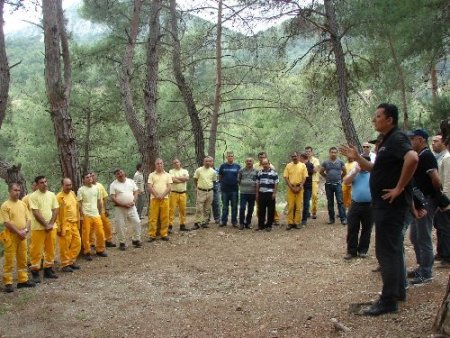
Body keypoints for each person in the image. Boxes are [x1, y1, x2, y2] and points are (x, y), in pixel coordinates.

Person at [340, 103, 418, 316]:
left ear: (389, 119)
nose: (374, 120)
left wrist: (399, 188)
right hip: (384, 206)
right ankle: (398, 291)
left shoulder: (397, 138)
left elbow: (413, 158)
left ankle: (388, 300)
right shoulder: (386, 142)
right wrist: (357, 158)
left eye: (377, 116)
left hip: (392, 206)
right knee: (392, 249)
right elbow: (375, 169)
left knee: (386, 251)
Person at [407, 129, 441, 284]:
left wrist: (433, 195)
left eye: (412, 139)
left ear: (420, 140)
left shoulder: (426, 156)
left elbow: (435, 179)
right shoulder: (418, 156)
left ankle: (427, 272)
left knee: (423, 236)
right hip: (418, 200)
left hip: (426, 200)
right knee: (415, 235)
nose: (410, 142)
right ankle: (422, 266)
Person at [1, 183, 35, 292]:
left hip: (22, 236)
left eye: (19, 190)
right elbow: (6, 223)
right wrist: (18, 232)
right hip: (11, 236)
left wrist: (25, 231)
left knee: (23, 258)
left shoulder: (22, 204)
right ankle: (8, 282)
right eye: (15, 190)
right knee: (9, 259)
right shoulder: (5, 206)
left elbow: (28, 218)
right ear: (10, 191)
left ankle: (23, 280)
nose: (17, 192)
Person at [29, 175, 59, 282]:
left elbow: (55, 210)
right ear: (37, 185)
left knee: (50, 249)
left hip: (51, 227)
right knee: (36, 250)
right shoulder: (33, 196)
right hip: (38, 228)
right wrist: (46, 225)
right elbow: (36, 212)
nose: (45, 184)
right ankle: (35, 271)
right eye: (41, 182)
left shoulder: (51, 195)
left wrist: (50, 224)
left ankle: (48, 270)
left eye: (46, 181)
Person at [342, 157, 373, 260]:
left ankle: (363, 250)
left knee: (367, 229)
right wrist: (355, 172)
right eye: (360, 163)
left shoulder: (373, 173)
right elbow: (346, 181)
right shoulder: (355, 172)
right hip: (355, 204)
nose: (362, 165)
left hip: (370, 205)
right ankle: (351, 251)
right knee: (352, 228)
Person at [77, 172, 108, 260]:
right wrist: (81, 215)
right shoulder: (81, 190)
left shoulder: (96, 188)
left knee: (100, 233)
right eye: (87, 177)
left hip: (96, 214)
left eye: (90, 177)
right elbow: (79, 203)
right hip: (86, 214)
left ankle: (100, 250)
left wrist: (100, 211)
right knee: (86, 234)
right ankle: (87, 251)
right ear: (83, 179)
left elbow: (99, 201)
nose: (90, 178)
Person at [110, 168, 142, 249]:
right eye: (117, 174)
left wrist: (133, 201)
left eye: (121, 172)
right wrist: (122, 204)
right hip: (119, 208)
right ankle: (122, 242)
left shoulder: (131, 181)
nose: (120, 174)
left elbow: (136, 192)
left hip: (132, 207)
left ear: (124, 172)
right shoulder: (113, 185)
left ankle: (136, 239)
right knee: (120, 225)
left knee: (137, 222)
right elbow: (113, 197)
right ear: (116, 176)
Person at [56, 178, 81, 272]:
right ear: (62, 185)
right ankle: (65, 264)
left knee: (77, 243)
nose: (69, 187)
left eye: (70, 185)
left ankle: (71, 260)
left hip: (74, 223)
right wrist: (58, 227)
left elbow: (77, 207)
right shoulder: (59, 197)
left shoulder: (72, 194)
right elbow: (56, 213)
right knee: (65, 246)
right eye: (67, 185)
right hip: (65, 225)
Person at [433, 134, 450, 264]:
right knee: (440, 227)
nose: (433, 143)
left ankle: (447, 255)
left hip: (445, 200)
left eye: (436, 141)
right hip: (441, 198)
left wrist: (445, 201)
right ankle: (441, 252)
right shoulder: (441, 158)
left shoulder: (447, 158)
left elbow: (447, 181)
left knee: (445, 228)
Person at [320, 147, 347, 225]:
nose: (333, 154)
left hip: (338, 184)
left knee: (340, 201)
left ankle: (343, 219)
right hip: (328, 185)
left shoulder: (340, 162)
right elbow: (321, 171)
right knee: (330, 202)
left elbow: (345, 172)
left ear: (337, 153)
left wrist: (340, 178)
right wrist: (327, 177)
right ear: (329, 153)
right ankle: (331, 219)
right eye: (332, 152)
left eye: (335, 152)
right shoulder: (325, 162)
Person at [147, 159, 172, 241]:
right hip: (154, 199)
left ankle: (164, 234)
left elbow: (169, 187)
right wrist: (157, 195)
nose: (159, 165)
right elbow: (150, 187)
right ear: (155, 165)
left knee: (165, 217)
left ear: (163, 164)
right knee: (153, 217)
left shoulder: (168, 175)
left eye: (161, 163)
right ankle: (152, 235)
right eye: (157, 164)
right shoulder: (151, 175)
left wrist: (163, 195)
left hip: (165, 198)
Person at [283, 151, 308, 230]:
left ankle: (297, 222)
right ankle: (290, 223)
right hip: (291, 188)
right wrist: (291, 187)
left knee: (298, 206)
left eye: (296, 156)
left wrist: (300, 187)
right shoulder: (288, 166)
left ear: (299, 156)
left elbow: (304, 177)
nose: (294, 157)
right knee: (290, 206)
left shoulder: (303, 165)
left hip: (299, 188)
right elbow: (286, 177)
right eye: (293, 156)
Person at [254, 152, 280, 225]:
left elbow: (276, 182)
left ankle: (269, 224)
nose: (265, 165)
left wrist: (274, 193)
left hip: (270, 192)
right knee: (261, 209)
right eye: (263, 164)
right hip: (261, 192)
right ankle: (261, 225)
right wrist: (257, 193)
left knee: (271, 209)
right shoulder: (259, 172)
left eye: (266, 163)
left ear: (269, 164)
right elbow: (257, 183)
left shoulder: (274, 172)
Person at [92, 172, 116, 248]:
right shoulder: (87, 187)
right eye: (91, 176)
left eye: (93, 175)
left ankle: (108, 240)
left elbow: (105, 197)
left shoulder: (100, 185)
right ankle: (92, 243)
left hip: (102, 210)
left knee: (107, 225)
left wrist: (106, 208)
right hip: (92, 212)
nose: (92, 177)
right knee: (93, 228)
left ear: (96, 176)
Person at [193, 156, 217, 229]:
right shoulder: (199, 170)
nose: (208, 162)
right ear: (204, 162)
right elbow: (195, 179)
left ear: (211, 162)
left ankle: (204, 222)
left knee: (207, 208)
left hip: (210, 191)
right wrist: (196, 187)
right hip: (201, 191)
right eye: (206, 161)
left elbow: (214, 181)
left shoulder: (213, 171)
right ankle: (197, 222)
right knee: (199, 207)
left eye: (209, 161)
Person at [218, 151, 241, 227]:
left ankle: (234, 222)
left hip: (234, 190)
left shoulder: (237, 166)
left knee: (234, 207)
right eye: (229, 156)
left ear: (233, 157)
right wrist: (222, 184)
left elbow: (239, 177)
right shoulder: (223, 166)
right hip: (224, 190)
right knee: (225, 207)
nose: (230, 157)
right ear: (226, 157)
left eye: (231, 156)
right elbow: (220, 177)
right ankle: (224, 221)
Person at [168, 159, 190, 232]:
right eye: (174, 163)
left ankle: (182, 225)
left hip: (183, 193)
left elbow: (187, 178)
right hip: (174, 193)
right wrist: (182, 180)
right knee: (171, 210)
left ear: (180, 163)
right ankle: (169, 226)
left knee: (183, 210)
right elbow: (172, 179)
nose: (176, 163)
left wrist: (177, 179)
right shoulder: (171, 171)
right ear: (173, 164)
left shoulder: (185, 171)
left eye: (177, 162)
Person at [238, 157, 258, 230]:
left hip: (252, 193)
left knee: (250, 208)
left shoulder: (256, 171)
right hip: (243, 192)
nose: (249, 162)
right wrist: (244, 184)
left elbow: (257, 181)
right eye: (247, 161)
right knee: (242, 208)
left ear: (253, 162)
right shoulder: (241, 170)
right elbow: (238, 180)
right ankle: (241, 223)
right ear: (245, 162)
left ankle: (248, 223)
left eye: (250, 161)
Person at [305, 146, 320, 219]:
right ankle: (306, 212)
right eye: (306, 151)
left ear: (312, 152)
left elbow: (315, 170)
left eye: (309, 151)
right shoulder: (303, 160)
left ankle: (314, 212)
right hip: (305, 180)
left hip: (314, 180)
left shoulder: (315, 160)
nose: (308, 153)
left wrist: (307, 169)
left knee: (314, 196)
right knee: (306, 197)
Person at [299, 153, 314, 226]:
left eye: (300, 157)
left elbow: (310, 173)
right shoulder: (299, 165)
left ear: (302, 158)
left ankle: (304, 220)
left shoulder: (310, 165)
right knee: (298, 203)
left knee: (306, 203)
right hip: (299, 186)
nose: (299, 159)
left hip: (307, 186)